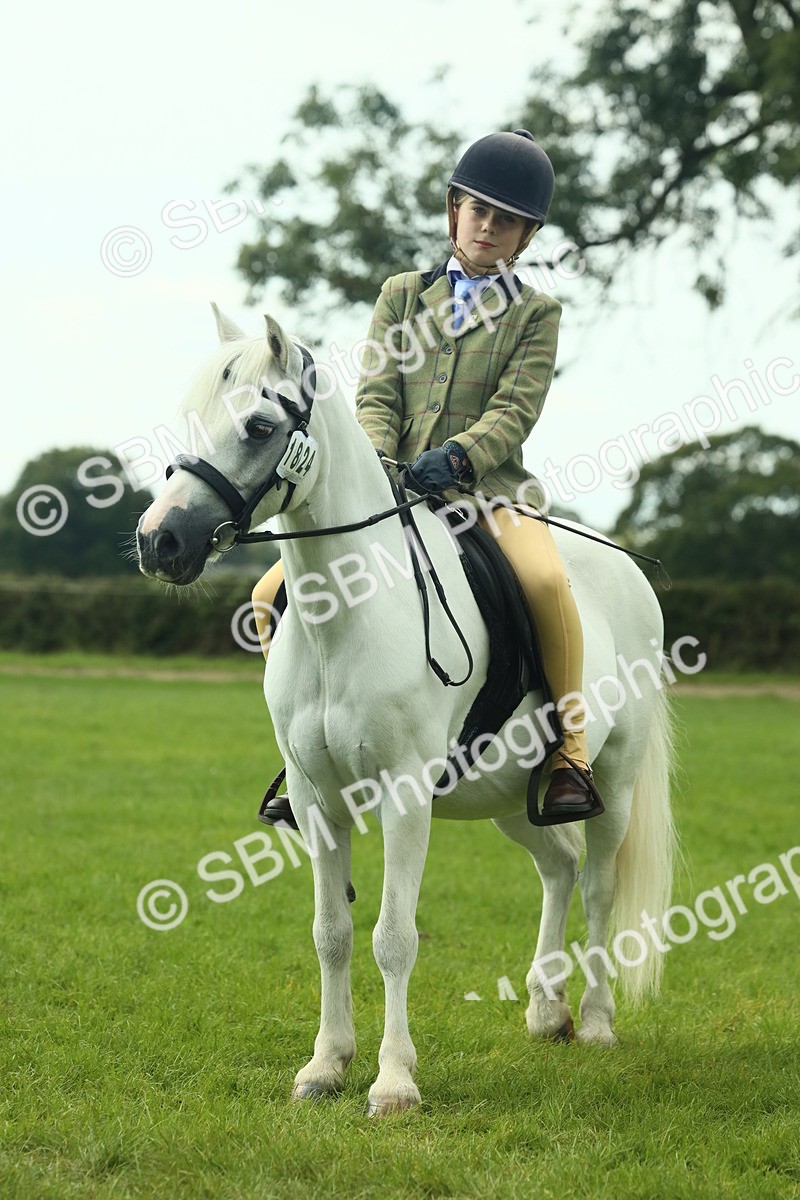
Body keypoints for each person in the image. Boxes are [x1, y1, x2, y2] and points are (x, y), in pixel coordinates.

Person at [254, 128, 603, 829]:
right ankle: (303, 759)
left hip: (490, 496)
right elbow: (377, 395)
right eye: (478, 211)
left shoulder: (536, 314)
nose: (488, 227)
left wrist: (462, 457)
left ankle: (569, 749)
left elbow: (516, 410)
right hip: (395, 495)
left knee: (544, 582)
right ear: (454, 210)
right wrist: (380, 465)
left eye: (506, 220)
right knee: (269, 593)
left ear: (526, 236)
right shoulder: (402, 296)